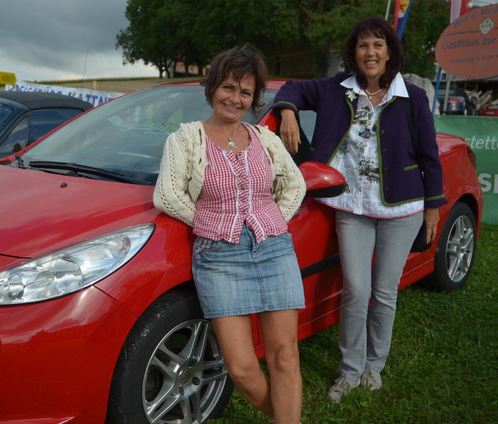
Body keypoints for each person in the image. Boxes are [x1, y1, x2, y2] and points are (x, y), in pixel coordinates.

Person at [273, 16, 446, 403]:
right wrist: (287, 111)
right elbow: (292, 88)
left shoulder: (412, 97)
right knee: (355, 289)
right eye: (363, 45)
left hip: (402, 208)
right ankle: (349, 370)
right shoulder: (337, 88)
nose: (370, 52)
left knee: (384, 292)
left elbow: (429, 156)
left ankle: (374, 366)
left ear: (389, 53)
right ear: (353, 53)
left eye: (378, 45)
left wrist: (433, 207)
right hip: (350, 204)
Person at [154, 44, 306, 424]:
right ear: (212, 88)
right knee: (241, 368)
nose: (235, 98)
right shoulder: (186, 139)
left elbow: (295, 186)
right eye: (228, 88)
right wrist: (212, 222)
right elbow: (168, 195)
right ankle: (287, 416)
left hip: (274, 249)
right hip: (219, 256)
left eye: (245, 92)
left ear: (253, 99)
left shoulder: (266, 139)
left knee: (285, 355)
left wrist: (272, 218)